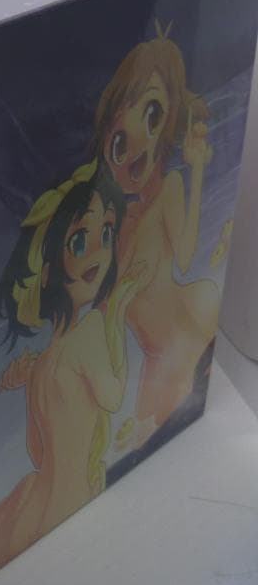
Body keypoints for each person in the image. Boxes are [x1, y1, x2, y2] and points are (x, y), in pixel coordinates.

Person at [0, 162, 143, 585]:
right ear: (51, 265)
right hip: (65, 503)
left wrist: (35, 383)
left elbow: (41, 450)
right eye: (79, 240)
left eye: (106, 233)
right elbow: (112, 397)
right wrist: (117, 314)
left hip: (40, 499)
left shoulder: (53, 354)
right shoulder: (85, 334)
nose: (98, 252)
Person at [91, 28, 217, 449]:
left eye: (152, 116)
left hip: (193, 323)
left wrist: (197, 171)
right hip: (156, 365)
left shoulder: (168, 190)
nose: (135, 146)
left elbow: (185, 257)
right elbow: (106, 331)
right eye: (119, 140)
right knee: (149, 441)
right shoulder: (103, 233)